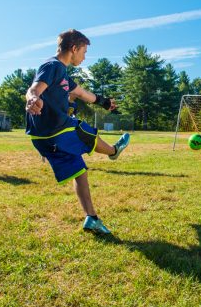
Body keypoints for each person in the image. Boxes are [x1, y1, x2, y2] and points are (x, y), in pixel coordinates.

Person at [25, 29, 130, 235]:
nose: (84, 57)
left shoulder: (64, 75)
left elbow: (81, 93)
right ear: (74, 48)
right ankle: (113, 152)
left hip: (42, 138)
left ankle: (91, 218)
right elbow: (34, 88)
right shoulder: (53, 66)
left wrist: (104, 101)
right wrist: (32, 98)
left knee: (79, 171)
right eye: (83, 51)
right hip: (55, 131)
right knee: (83, 130)